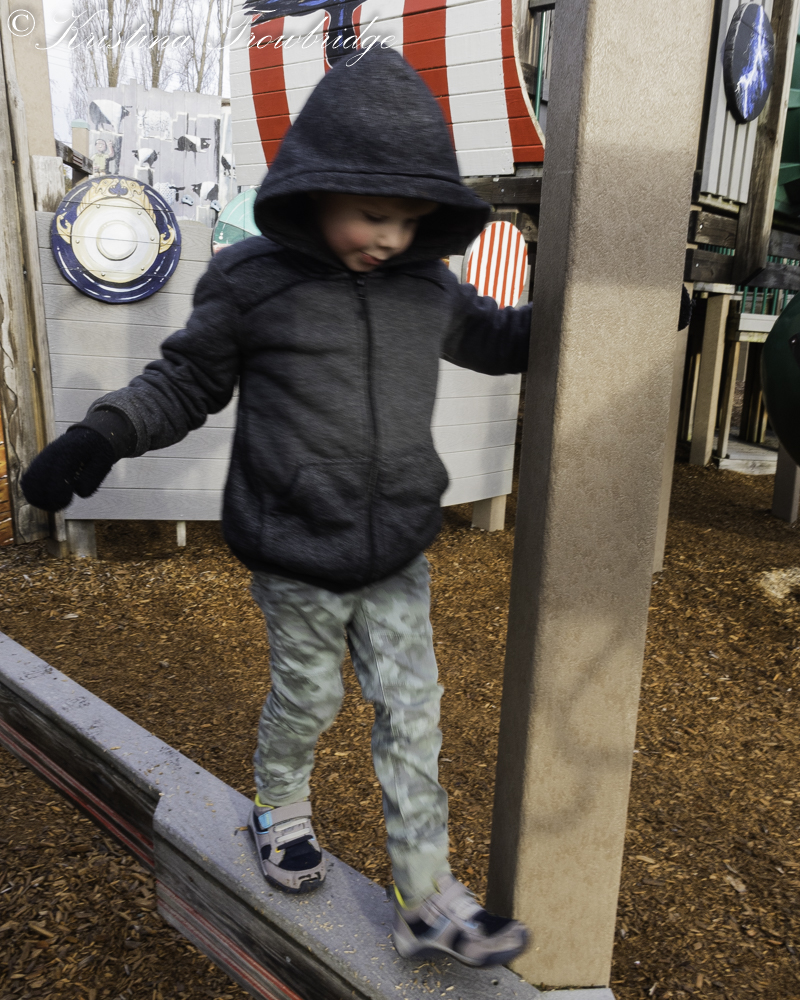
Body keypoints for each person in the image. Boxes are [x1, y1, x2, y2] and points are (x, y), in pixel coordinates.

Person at [22, 48, 531, 968]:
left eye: (409, 219)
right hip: (295, 546)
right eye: (372, 214)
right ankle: (280, 807)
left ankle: (425, 896)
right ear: (318, 188)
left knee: (413, 709)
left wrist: (595, 322)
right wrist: (100, 435)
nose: (389, 238)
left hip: (395, 546)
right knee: (309, 695)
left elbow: (495, 339)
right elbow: (184, 382)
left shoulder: (426, 285)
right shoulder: (253, 282)